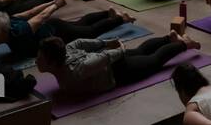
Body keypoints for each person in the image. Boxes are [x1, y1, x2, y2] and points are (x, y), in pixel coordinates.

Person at [35, 30, 200, 96]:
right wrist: (109, 45)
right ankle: (169, 38)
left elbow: (103, 57)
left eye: (40, 58)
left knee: (154, 61)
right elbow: (78, 43)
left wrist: (117, 48)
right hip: (110, 62)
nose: (36, 60)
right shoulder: (65, 52)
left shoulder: (75, 72)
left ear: (52, 62)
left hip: (119, 71)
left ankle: (185, 44)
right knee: (141, 51)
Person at [0, 0, 132, 59]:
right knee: (81, 23)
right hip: (54, 27)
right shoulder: (9, 20)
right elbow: (31, 11)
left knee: (90, 32)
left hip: (57, 31)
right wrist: (53, 1)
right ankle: (107, 13)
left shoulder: (19, 32)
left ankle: (120, 19)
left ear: (1, 32)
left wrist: (56, 5)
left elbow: (40, 16)